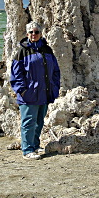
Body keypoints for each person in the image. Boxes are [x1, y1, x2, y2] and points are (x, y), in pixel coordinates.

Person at [10, 21, 60, 159]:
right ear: (27, 34)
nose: (34, 34)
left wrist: (55, 87)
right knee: (28, 122)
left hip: (44, 93)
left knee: (39, 121)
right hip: (29, 94)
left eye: (36, 32)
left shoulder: (47, 50)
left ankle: (35, 145)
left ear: (40, 33)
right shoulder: (22, 52)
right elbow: (16, 74)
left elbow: (55, 70)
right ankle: (27, 150)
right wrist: (23, 90)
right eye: (31, 32)